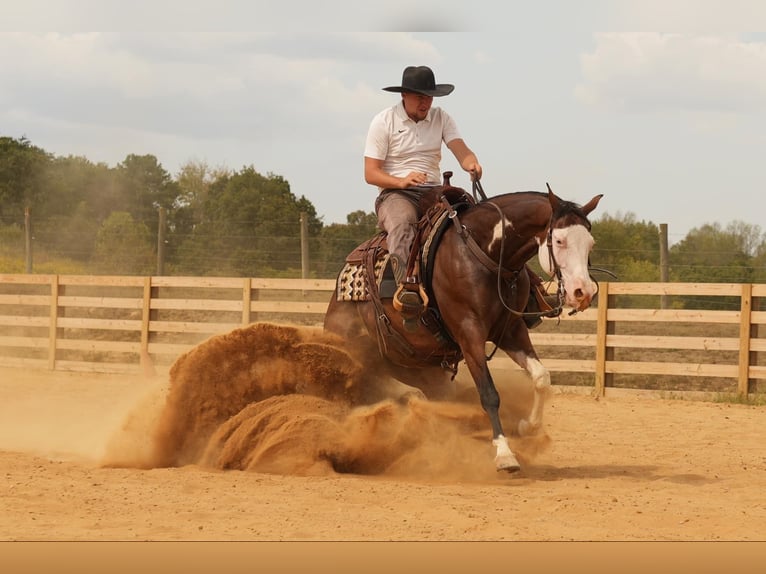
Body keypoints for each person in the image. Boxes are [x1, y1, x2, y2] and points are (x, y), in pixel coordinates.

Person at [364, 65, 482, 331]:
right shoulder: (384, 121)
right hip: (396, 193)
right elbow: (371, 173)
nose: (426, 102)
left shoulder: (441, 118)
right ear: (404, 95)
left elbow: (460, 148)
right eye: (420, 96)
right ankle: (408, 288)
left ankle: (478, 285)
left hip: (432, 190)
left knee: (470, 217)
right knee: (403, 222)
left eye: (429, 96)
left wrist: (471, 162)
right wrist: (400, 181)